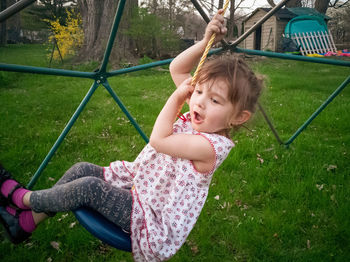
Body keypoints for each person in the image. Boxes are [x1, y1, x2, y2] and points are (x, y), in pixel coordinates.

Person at [0, 10, 263, 262]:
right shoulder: (205, 116)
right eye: (199, 91)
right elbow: (176, 69)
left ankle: (21, 199)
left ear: (238, 117)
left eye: (215, 99)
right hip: (141, 184)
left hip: (151, 219)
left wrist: (178, 96)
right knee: (82, 169)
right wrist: (205, 42)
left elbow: (159, 140)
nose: (200, 102)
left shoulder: (210, 146)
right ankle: (25, 223)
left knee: (88, 188)